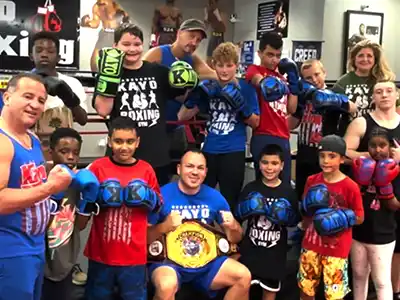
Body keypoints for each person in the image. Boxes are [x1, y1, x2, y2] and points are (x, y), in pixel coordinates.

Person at [93, 23, 198, 186]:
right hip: (121, 154)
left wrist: (187, 82)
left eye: (137, 44)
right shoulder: (109, 73)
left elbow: (181, 97)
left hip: (156, 155)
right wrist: (109, 78)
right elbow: (103, 109)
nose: (132, 49)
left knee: (155, 204)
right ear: (115, 46)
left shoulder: (159, 72)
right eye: (126, 45)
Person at [0, 73, 74, 300]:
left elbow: (28, 180)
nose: (35, 105)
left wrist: (65, 174)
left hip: (34, 246)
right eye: (28, 96)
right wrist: (50, 187)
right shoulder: (3, 142)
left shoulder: (30, 138)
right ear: (7, 97)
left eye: (41, 100)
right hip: (9, 250)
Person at [148, 149, 251, 300]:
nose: (195, 172)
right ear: (179, 169)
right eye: (189, 166)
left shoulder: (215, 197)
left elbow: (235, 239)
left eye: (200, 168)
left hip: (207, 263)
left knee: (243, 276)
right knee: (166, 285)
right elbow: (144, 237)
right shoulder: (161, 195)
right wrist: (164, 226)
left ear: (205, 172)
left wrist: (233, 227)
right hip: (169, 262)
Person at [81, 116, 162, 300]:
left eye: (129, 141)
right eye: (118, 141)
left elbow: (158, 207)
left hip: (133, 256)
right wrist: (93, 198)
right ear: (110, 141)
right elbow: (83, 205)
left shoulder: (146, 169)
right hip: (101, 253)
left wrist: (148, 197)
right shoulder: (98, 167)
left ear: (138, 142)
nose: (124, 147)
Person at [178, 42, 259, 209]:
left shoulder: (245, 88)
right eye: (220, 65)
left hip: (233, 151)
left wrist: (242, 107)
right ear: (213, 65)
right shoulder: (208, 87)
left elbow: (256, 122)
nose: (224, 70)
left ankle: (228, 235)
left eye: (229, 66)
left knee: (230, 201)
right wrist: (194, 97)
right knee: (201, 199)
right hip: (209, 150)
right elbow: (181, 117)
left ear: (236, 66)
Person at [344, 80, 400, 300]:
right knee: (359, 272)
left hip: (394, 200)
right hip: (365, 203)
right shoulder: (361, 123)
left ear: (396, 94)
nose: (384, 95)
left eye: (388, 91)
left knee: (383, 274)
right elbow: (345, 152)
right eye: (379, 91)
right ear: (372, 97)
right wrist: (368, 158)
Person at [297, 135, 364, 300]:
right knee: (306, 291)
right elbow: (305, 213)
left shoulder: (351, 186)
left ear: (342, 159)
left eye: (332, 156)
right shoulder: (311, 180)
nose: (325, 161)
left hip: (337, 249)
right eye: (322, 156)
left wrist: (341, 218)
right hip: (311, 245)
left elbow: (360, 217)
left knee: (334, 295)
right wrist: (304, 211)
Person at [144, 18, 213, 174]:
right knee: (150, 172)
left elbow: (215, 75)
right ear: (179, 33)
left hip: (176, 127)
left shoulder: (192, 60)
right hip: (154, 127)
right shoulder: (159, 54)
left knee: (172, 172)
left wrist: (240, 81)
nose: (194, 42)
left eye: (198, 40)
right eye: (191, 36)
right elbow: (137, 76)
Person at [235, 144, 299, 300]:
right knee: (244, 288)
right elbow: (237, 216)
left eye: (274, 163)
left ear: (282, 165)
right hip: (251, 250)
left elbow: (295, 221)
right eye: (265, 162)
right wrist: (246, 208)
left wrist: (285, 216)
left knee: (269, 292)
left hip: (274, 254)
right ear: (259, 164)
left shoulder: (288, 191)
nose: (269, 167)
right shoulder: (251, 188)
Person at [288, 59, 357, 199]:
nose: (313, 80)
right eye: (308, 78)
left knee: (324, 197)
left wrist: (332, 100)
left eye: (317, 74)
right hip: (304, 153)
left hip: (326, 155)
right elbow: (292, 124)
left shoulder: (335, 92)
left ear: (324, 73)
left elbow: (353, 108)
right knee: (303, 196)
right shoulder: (303, 97)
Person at [245, 31, 299, 183]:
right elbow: (257, 81)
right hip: (263, 134)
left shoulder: (282, 78)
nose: (274, 60)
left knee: (284, 183)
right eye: (270, 54)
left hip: (283, 136)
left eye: (278, 55)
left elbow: (292, 109)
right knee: (264, 183)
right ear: (260, 53)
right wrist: (266, 84)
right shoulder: (254, 70)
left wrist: (294, 84)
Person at [41, 128, 88, 300]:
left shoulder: (79, 183)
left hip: (65, 258)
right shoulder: (41, 179)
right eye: (64, 151)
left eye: (75, 153)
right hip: (40, 258)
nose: (70, 157)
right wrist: (55, 196)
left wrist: (87, 201)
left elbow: (80, 226)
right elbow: (40, 226)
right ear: (51, 152)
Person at [30, 31, 88, 161]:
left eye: (50, 51)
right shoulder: (22, 83)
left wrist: (69, 98)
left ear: (58, 57)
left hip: (64, 153)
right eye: (39, 50)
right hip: (30, 147)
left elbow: (83, 120)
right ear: (31, 56)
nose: (44, 54)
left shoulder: (72, 83)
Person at [327, 39, 395, 137]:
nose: (365, 59)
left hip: (378, 134)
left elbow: (396, 109)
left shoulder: (383, 81)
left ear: (375, 59)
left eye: (369, 56)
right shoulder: (343, 82)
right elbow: (332, 113)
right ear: (354, 59)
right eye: (360, 56)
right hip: (349, 134)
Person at [80, 0, 130, 71]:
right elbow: (95, 24)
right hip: (105, 33)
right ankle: (95, 78)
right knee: (94, 61)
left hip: (117, 34)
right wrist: (87, 23)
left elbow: (126, 18)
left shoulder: (117, 4)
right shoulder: (96, 6)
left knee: (120, 60)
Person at [204, 0, 227, 67]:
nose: (211, 5)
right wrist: (206, 16)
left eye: (212, 3)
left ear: (216, 3)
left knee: (221, 56)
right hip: (213, 36)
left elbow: (224, 29)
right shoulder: (210, 13)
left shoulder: (221, 13)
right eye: (210, 3)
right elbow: (205, 27)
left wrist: (218, 16)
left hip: (220, 37)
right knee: (209, 56)